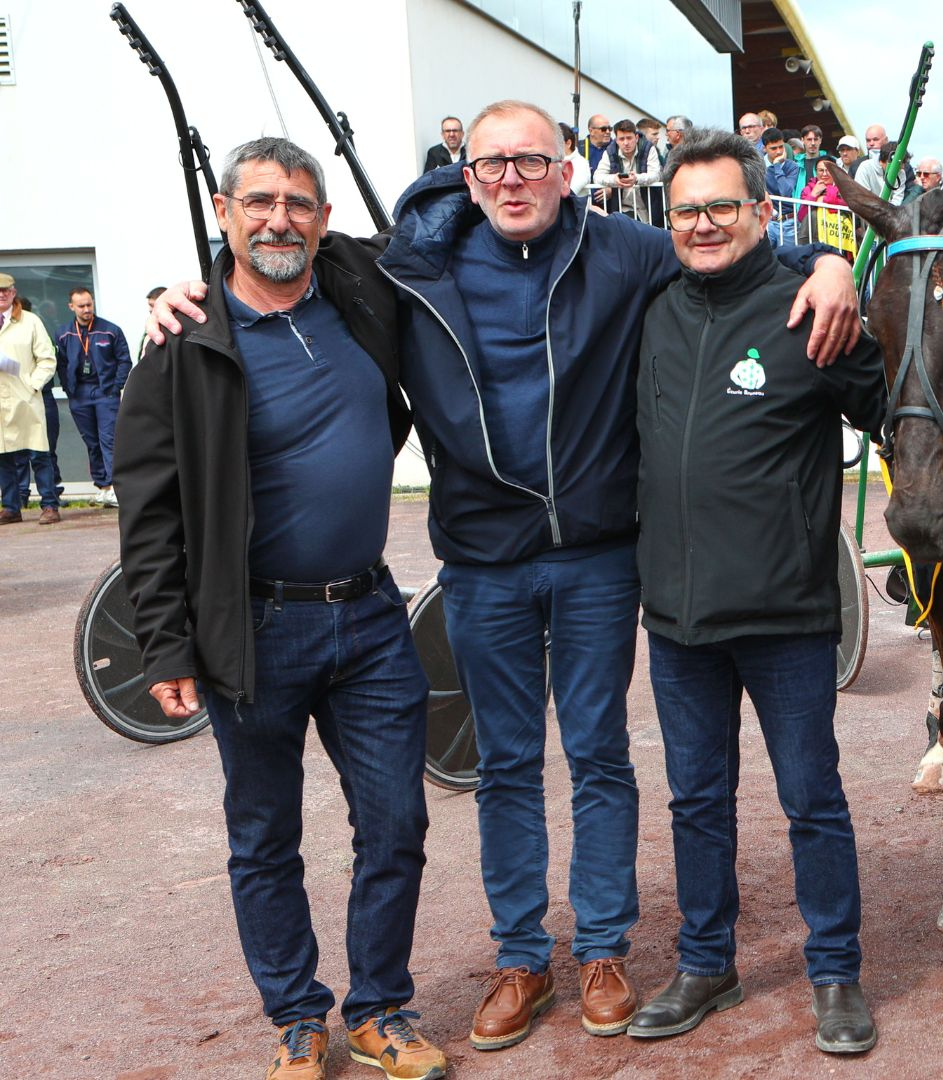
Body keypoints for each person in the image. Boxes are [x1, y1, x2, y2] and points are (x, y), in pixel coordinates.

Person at [148, 99, 860, 1056]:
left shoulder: (629, 254)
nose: (513, 179)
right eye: (492, 165)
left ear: (569, 170)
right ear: (464, 174)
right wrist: (173, 290)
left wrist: (831, 260)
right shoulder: (409, 267)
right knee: (508, 768)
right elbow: (274, 260)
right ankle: (522, 957)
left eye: (532, 161)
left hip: (601, 556)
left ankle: (603, 949)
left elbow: (735, 256)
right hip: (482, 562)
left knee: (603, 756)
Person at [117, 136, 446, 1080]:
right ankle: (299, 1019)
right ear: (223, 214)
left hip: (372, 617)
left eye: (300, 205)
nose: (279, 221)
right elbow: (149, 517)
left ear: (325, 220)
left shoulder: (357, 293)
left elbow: (438, 210)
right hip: (252, 630)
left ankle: (379, 1007)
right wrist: (164, 645)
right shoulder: (183, 346)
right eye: (258, 203)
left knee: (395, 826)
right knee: (265, 836)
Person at [623, 126, 887, 1055]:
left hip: (787, 619)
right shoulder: (649, 309)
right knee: (695, 801)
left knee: (811, 798)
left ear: (761, 211)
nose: (702, 225)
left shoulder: (807, 307)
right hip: (681, 621)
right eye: (686, 209)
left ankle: (836, 972)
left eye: (721, 207)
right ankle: (707, 962)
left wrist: (838, 264)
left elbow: (894, 405)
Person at [54, 287, 133, 505]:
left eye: (90, 304)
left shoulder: (110, 330)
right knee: (91, 442)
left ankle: (117, 487)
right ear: (71, 307)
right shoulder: (63, 333)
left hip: (105, 392)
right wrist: (69, 388)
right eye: (81, 306)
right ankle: (103, 486)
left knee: (110, 439)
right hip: (79, 393)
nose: (87, 309)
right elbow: (61, 363)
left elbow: (124, 360)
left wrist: (115, 386)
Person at [0, 273, 58, 526]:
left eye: (6, 290)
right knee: (2, 456)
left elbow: (47, 359)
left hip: (26, 397)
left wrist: (33, 385)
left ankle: (49, 505)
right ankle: (11, 507)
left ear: (14, 293)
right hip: (1, 401)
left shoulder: (30, 321)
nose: (1, 295)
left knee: (39, 453)